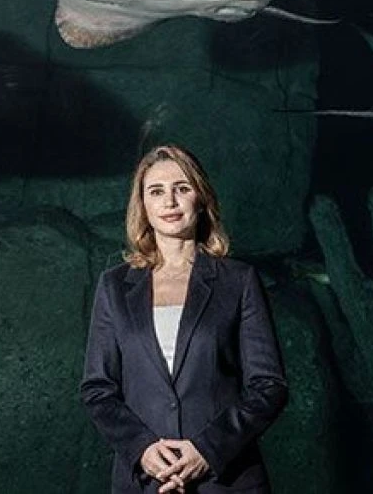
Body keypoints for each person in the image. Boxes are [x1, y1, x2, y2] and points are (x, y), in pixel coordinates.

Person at [81, 145, 289, 493]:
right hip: (144, 483)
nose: (170, 201)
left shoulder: (239, 281)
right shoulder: (114, 286)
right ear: (143, 205)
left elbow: (269, 386)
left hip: (225, 482)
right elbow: (97, 389)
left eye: (182, 188)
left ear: (201, 198)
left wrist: (207, 449)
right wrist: (143, 449)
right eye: (156, 191)